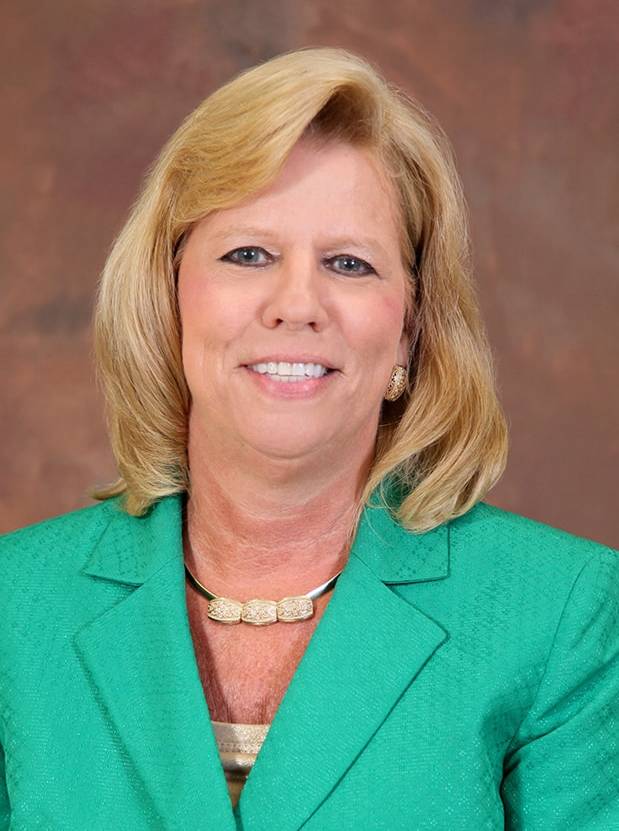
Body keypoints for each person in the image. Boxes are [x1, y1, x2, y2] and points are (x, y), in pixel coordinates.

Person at [0, 46, 617, 831]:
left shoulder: (559, 613)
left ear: (409, 329)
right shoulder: (14, 607)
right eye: (248, 254)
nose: (297, 304)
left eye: (349, 263)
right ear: (168, 295)